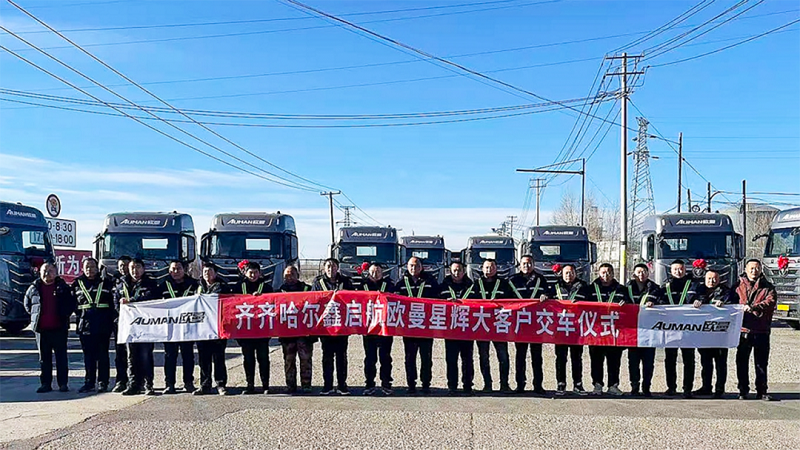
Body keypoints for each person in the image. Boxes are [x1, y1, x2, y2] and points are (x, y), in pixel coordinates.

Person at [24, 261, 76, 393]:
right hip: (41, 330)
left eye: (50, 271)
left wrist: (64, 315)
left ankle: (63, 384)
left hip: (59, 328)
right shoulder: (34, 287)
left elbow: (71, 304)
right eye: (44, 271)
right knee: (44, 359)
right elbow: (27, 304)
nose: (47, 273)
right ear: (39, 273)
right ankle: (45, 384)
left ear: (56, 273)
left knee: (61, 358)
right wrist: (35, 316)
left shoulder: (63, 287)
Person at [395, 256, 439, 395]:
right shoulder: (401, 283)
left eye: (416, 265)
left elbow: (439, 299)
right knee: (410, 357)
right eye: (411, 266)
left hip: (426, 326)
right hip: (409, 326)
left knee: (426, 357)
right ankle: (411, 384)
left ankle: (426, 384)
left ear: (421, 267)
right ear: (407, 267)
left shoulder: (430, 281)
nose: (413, 268)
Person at [734, 259, 777, 401]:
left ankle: (762, 391)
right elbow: (730, 300)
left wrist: (754, 307)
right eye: (751, 268)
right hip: (743, 331)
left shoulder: (768, 287)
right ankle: (743, 390)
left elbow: (770, 302)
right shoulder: (737, 286)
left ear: (761, 270)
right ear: (746, 270)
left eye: (757, 268)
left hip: (761, 330)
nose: (754, 271)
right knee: (741, 362)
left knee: (761, 363)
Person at [469, 259, 513, 394]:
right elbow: (468, 301)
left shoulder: (504, 284)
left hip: (499, 324)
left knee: (503, 356)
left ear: (496, 268)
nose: (489, 270)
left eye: (492, 267)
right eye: (487, 267)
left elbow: (513, 302)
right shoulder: (476, 284)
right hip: (482, 325)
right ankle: (487, 384)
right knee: (484, 356)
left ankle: (504, 384)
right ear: (482, 269)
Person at [116, 258, 159, 396]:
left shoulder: (150, 284)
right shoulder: (121, 284)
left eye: (138, 267)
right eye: (132, 268)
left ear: (143, 269)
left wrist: (131, 301)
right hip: (129, 326)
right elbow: (115, 303)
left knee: (146, 355)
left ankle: (148, 384)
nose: (135, 270)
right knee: (131, 356)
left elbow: (151, 299)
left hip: (145, 326)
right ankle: (133, 384)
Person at [73, 257, 116, 393]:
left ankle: (103, 382)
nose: (89, 270)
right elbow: (73, 304)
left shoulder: (106, 282)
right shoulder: (77, 283)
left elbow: (113, 303)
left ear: (97, 268)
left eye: (92, 267)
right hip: (85, 324)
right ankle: (89, 382)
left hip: (103, 324)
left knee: (103, 355)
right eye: (87, 267)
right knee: (88, 356)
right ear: (82, 269)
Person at [312, 258, 355, 395]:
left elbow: (353, 299)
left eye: (334, 266)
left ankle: (342, 385)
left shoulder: (346, 281)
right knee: (327, 356)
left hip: (342, 325)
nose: (331, 269)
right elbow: (313, 300)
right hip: (326, 326)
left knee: (342, 356)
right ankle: (327, 385)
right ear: (324, 268)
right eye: (328, 266)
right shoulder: (318, 282)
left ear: (338, 268)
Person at [508, 255, 549, 395]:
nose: (527, 266)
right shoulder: (513, 280)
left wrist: (546, 295)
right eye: (524, 263)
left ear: (533, 264)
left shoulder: (541, 279)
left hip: (536, 323)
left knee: (537, 356)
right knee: (520, 356)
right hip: (519, 323)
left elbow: (549, 292)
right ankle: (520, 385)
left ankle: (538, 385)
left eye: (529, 263)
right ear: (520, 265)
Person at [586, 263, 628, 396]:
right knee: (596, 360)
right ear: (599, 273)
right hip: (596, 331)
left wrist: (626, 303)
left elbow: (630, 305)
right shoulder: (590, 289)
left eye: (609, 272)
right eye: (603, 272)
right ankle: (597, 384)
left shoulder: (621, 289)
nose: (606, 275)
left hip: (614, 331)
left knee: (614, 360)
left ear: (613, 273)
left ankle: (613, 385)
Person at [158, 260, 199, 394]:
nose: (176, 272)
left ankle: (189, 383)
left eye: (179, 269)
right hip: (170, 327)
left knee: (188, 356)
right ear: (169, 271)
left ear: (184, 270)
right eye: (173, 269)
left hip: (188, 326)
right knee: (170, 356)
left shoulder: (194, 284)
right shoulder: (163, 285)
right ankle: (169, 384)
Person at [660, 259, 698, 398]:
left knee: (689, 360)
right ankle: (671, 387)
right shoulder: (665, 287)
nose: (678, 271)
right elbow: (659, 301)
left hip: (688, 329)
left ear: (685, 270)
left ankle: (687, 388)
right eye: (675, 269)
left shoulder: (693, 285)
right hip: (670, 329)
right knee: (670, 359)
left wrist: (699, 301)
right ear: (671, 271)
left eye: (681, 269)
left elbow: (701, 297)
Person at [692, 269, 733, 398]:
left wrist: (725, 304)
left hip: (720, 335)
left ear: (719, 280)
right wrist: (695, 303)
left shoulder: (726, 292)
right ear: (704, 279)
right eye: (709, 278)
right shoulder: (699, 291)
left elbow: (733, 306)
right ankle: (706, 387)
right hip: (704, 335)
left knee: (720, 363)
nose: (712, 281)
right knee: (706, 363)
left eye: (715, 278)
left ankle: (720, 389)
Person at [236, 261, 274, 395]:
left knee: (263, 358)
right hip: (245, 330)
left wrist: (261, 298)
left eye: (255, 272)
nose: (253, 275)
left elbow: (273, 304)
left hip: (262, 330)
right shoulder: (238, 287)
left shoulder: (267, 287)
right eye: (250, 272)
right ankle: (250, 385)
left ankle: (265, 385)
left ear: (260, 273)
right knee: (248, 359)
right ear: (245, 273)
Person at [551, 263, 589, 396]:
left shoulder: (583, 287)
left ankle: (578, 384)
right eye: (566, 273)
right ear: (561, 274)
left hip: (577, 328)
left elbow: (592, 302)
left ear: (576, 273)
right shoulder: (555, 287)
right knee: (561, 358)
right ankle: (561, 383)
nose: (569, 275)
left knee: (576, 358)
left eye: (571, 272)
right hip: (560, 328)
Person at [438, 261, 475, 396]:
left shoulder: (472, 286)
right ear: (450, 271)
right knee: (451, 359)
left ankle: (467, 386)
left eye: (459, 270)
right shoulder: (443, 286)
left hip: (467, 327)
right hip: (450, 328)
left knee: (467, 359)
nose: (456, 273)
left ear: (464, 271)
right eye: (454, 270)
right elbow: (435, 302)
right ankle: (452, 386)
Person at [278, 265, 315, 394]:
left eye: (292, 274)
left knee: (305, 360)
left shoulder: (307, 289)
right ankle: (290, 385)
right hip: (287, 333)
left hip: (304, 333)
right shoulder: (279, 292)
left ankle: (306, 384)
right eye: (286, 275)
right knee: (289, 360)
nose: (289, 277)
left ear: (298, 276)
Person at [195, 261, 230, 395]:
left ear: (215, 273)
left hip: (217, 328)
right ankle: (205, 385)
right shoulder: (197, 286)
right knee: (203, 359)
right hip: (202, 328)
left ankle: (220, 384)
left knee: (218, 358)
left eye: (210, 272)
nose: (207, 274)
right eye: (205, 272)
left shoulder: (222, 287)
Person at [625, 263, 659, 397]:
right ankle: (634, 386)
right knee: (633, 362)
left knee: (648, 362)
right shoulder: (626, 288)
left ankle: (646, 387)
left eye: (644, 272)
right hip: (633, 331)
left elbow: (662, 301)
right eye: (638, 272)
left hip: (649, 331)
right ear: (634, 274)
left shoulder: (655, 288)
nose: (641, 274)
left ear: (648, 273)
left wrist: (655, 303)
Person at [361, 263, 394, 396]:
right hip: (368, 328)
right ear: (368, 273)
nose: (375, 274)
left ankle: (386, 383)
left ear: (382, 273)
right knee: (370, 358)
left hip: (385, 327)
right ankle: (369, 384)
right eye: (372, 272)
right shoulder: (362, 285)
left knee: (385, 357)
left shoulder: (389, 285)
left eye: (378, 272)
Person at [111, 256, 132, 392]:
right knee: (120, 354)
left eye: (126, 265)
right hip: (119, 323)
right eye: (120, 266)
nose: (123, 268)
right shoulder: (112, 282)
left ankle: (136, 382)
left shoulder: (138, 282)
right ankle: (121, 381)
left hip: (136, 323)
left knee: (136, 355)